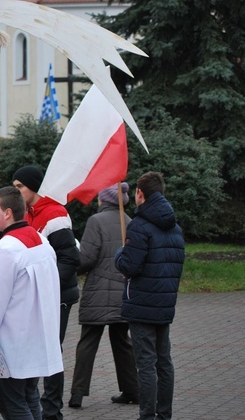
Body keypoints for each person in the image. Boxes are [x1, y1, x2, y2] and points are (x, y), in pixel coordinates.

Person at [0, 186, 63, 420]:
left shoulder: (4, 250)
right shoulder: (42, 241)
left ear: (8, 213)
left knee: (12, 404)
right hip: (36, 339)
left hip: (10, 345)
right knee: (29, 396)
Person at [114, 172, 184, 420]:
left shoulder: (139, 225)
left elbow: (130, 266)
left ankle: (147, 416)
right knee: (164, 361)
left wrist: (119, 255)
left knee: (146, 363)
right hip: (164, 303)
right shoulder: (174, 226)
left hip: (142, 303)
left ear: (140, 193)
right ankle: (164, 414)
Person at [12, 165, 80, 420]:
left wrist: (47, 285)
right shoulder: (28, 213)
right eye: (15, 186)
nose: (17, 191)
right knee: (39, 348)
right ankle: (37, 406)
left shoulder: (54, 214)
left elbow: (70, 259)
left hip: (58, 295)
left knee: (51, 351)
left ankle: (52, 412)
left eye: (21, 186)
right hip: (39, 294)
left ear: (35, 187)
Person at [68, 183, 138, 408]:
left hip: (98, 292)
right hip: (124, 292)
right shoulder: (129, 222)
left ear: (102, 200)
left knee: (88, 342)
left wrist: (71, 267)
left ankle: (77, 394)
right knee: (122, 342)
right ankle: (132, 390)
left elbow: (87, 258)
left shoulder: (95, 221)